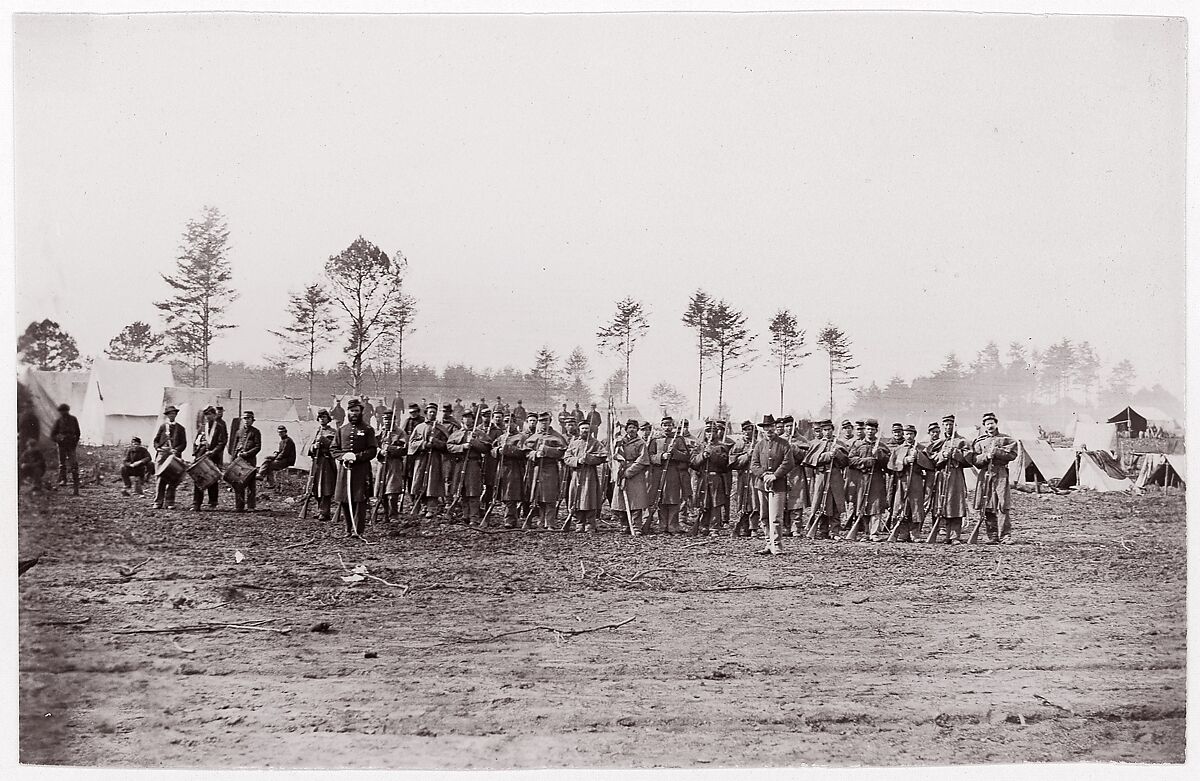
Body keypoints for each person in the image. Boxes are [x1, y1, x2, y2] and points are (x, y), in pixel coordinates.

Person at [330, 399, 378, 536]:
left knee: (359, 499)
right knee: (345, 499)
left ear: (361, 412)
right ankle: (348, 529)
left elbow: (372, 451)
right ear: (348, 412)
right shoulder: (341, 430)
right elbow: (333, 449)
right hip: (345, 470)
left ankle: (358, 530)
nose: (354, 413)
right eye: (352, 411)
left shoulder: (368, 430)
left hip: (361, 471)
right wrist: (344, 456)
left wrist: (356, 457)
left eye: (357, 411)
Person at [971, 412, 1018, 544]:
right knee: (987, 505)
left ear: (996, 424)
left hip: (1000, 473)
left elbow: (1013, 455)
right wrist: (986, 457)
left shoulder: (1007, 439)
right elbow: (974, 460)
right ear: (984, 426)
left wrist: (997, 452)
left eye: (992, 423)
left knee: (1003, 504)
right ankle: (992, 536)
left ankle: (1005, 536)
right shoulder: (979, 441)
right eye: (987, 424)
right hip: (985, 474)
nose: (990, 426)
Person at [750, 415, 792, 555]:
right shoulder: (759, 445)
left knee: (776, 517)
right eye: (766, 427)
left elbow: (788, 462)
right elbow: (754, 465)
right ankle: (769, 543)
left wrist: (775, 475)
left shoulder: (784, 444)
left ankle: (777, 545)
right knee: (764, 516)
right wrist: (764, 475)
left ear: (775, 427)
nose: (769, 430)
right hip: (762, 485)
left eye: (771, 427)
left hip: (778, 484)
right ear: (762, 430)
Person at [801, 419, 849, 540]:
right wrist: (826, 455)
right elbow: (810, 460)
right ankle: (822, 530)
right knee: (820, 502)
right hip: (821, 476)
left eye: (829, 429)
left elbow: (845, 462)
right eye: (825, 430)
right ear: (821, 431)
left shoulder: (839, 443)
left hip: (835, 476)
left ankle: (835, 531)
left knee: (835, 503)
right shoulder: (815, 444)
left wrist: (837, 454)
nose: (827, 432)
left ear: (833, 430)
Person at [927, 414, 972, 544]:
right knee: (939, 504)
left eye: (950, 424)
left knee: (955, 504)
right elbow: (929, 457)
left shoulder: (962, 441)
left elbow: (970, 458)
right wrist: (942, 455)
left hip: (955, 475)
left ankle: (954, 536)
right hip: (941, 476)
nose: (948, 427)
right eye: (945, 425)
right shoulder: (938, 443)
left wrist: (956, 454)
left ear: (955, 426)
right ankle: (938, 533)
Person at [886, 425, 935, 542]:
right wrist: (905, 461)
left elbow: (930, 465)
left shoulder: (922, 448)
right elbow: (891, 465)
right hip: (902, 481)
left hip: (916, 481)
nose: (909, 436)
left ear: (915, 435)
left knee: (916, 506)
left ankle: (915, 534)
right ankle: (902, 533)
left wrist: (918, 457)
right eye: (907, 434)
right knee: (901, 506)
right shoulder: (898, 449)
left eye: (911, 434)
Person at [522, 412, 568, 529]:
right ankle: (541, 521)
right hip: (537, 469)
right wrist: (535, 454)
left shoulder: (557, 436)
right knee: (538, 496)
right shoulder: (534, 437)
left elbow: (563, 452)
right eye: (541, 421)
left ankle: (550, 522)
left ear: (550, 421)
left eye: (546, 421)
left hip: (550, 468)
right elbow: (526, 451)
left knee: (550, 497)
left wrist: (548, 450)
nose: (543, 423)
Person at [846, 419, 890, 541]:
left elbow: (889, 464)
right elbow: (850, 461)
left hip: (876, 479)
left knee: (876, 506)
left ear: (876, 430)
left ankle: (874, 533)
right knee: (862, 505)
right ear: (865, 430)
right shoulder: (857, 444)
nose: (870, 431)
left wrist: (879, 455)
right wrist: (865, 461)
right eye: (868, 429)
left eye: (873, 429)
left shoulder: (881, 446)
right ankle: (865, 532)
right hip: (862, 478)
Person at [648, 416, 690, 534]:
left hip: (673, 473)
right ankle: (662, 526)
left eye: (669, 425)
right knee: (660, 498)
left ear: (673, 426)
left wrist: (674, 453)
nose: (667, 427)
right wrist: (661, 457)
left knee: (673, 499)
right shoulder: (655, 440)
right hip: (659, 473)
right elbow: (650, 456)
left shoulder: (678, 440)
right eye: (665, 425)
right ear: (661, 426)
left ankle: (673, 526)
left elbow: (686, 456)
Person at [562, 420, 606, 532]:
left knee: (590, 497)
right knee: (576, 497)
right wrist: (578, 460)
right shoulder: (574, 443)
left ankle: (590, 523)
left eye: (587, 428)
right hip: (576, 473)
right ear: (579, 430)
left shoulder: (596, 443)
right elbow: (566, 458)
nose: (585, 431)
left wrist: (589, 459)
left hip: (590, 474)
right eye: (583, 428)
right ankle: (579, 522)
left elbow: (603, 456)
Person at [445, 410, 488, 526]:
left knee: (473, 491)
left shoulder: (479, 433)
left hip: (473, 464)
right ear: (462, 419)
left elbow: (487, 447)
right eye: (465, 417)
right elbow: (449, 446)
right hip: (460, 464)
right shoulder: (456, 433)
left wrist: (474, 443)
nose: (468, 420)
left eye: (470, 417)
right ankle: (465, 515)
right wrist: (462, 447)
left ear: (473, 419)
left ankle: (474, 517)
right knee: (461, 490)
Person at [407, 402, 449, 519]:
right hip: (421, 459)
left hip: (434, 459)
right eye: (430, 412)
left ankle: (432, 508)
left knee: (432, 482)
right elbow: (411, 444)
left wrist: (436, 442)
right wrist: (424, 444)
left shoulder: (441, 429)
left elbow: (447, 446)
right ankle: (420, 505)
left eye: (434, 412)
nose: (432, 414)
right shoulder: (419, 427)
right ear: (426, 413)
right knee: (419, 481)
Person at [690, 420, 731, 537]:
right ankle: (704, 526)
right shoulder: (700, 446)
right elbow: (692, 463)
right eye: (708, 432)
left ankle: (714, 527)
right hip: (703, 477)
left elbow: (725, 464)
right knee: (704, 502)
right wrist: (702, 456)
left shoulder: (722, 447)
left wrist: (713, 455)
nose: (710, 435)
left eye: (713, 432)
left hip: (716, 477)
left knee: (716, 503)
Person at [611, 418, 651, 536]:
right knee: (621, 500)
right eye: (630, 428)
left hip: (635, 474)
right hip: (621, 471)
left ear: (637, 430)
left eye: (634, 428)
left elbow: (642, 460)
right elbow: (615, 454)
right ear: (626, 429)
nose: (632, 430)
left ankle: (636, 526)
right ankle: (624, 525)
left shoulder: (641, 443)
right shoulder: (620, 441)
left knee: (636, 501)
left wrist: (629, 472)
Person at [490, 414, 527, 529]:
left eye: (511, 422)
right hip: (502, 469)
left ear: (515, 423)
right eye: (506, 422)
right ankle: (510, 517)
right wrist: (498, 450)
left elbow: (522, 452)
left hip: (514, 468)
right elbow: (492, 449)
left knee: (510, 495)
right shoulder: (501, 437)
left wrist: (507, 449)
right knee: (502, 494)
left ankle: (510, 519)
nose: (508, 425)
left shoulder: (521, 437)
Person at [190, 406, 227, 510]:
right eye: (206, 415)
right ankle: (196, 503)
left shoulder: (219, 427)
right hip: (201, 456)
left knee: (212, 478)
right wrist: (195, 453)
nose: (208, 417)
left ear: (214, 415)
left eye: (210, 414)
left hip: (213, 456)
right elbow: (196, 442)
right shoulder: (202, 427)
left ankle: (213, 502)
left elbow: (222, 442)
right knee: (198, 479)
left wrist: (213, 452)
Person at [375, 409, 409, 522]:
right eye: (385, 419)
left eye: (390, 419)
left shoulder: (400, 433)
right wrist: (380, 451)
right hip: (382, 464)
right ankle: (385, 513)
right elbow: (374, 446)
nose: (387, 422)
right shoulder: (379, 432)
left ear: (394, 420)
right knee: (382, 489)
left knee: (392, 490)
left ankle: (393, 514)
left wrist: (391, 449)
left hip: (394, 464)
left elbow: (404, 449)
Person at [152, 405, 187, 509]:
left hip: (174, 455)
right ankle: (158, 502)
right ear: (167, 415)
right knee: (160, 477)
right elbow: (156, 440)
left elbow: (183, 443)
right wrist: (158, 448)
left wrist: (176, 450)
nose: (172, 415)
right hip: (162, 454)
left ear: (176, 415)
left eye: (174, 413)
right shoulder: (163, 427)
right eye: (170, 414)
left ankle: (170, 502)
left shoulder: (180, 428)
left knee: (172, 478)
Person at [728, 421, 760, 537]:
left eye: (750, 430)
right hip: (743, 476)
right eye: (745, 430)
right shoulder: (737, 445)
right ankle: (743, 526)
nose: (747, 432)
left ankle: (754, 527)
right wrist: (746, 456)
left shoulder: (759, 444)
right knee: (742, 501)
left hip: (754, 477)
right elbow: (732, 463)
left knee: (754, 502)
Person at [307, 409, 338, 521]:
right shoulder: (315, 431)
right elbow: (307, 448)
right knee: (315, 487)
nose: (322, 419)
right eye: (320, 417)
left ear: (328, 419)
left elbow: (335, 447)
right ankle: (320, 509)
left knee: (326, 488)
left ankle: (325, 512)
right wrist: (313, 447)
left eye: (324, 417)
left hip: (327, 462)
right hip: (316, 462)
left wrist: (324, 440)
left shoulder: (333, 432)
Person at [782, 417, 810, 536]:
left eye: (791, 426)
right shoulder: (780, 440)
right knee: (783, 500)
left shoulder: (802, 440)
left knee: (796, 501)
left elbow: (805, 457)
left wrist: (794, 448)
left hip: (796, 473)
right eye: (787, 426)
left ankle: (796, 527)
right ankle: (785, 527)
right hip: (782, 473)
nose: (789, 428)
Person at [229, 410, 261, 513]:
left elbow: (257, 447)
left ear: (252, 420)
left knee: (251, 483)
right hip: (239, 460)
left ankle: (251, 506)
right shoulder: (239, 432)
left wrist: (247, 453)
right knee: (239, 482)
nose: (246, 420)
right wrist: (233, 459)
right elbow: (234, 446)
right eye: (245, 418)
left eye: (249, 418)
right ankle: (239, 506)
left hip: (250, 461)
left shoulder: (255, 432)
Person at [50, 403, 81, 495]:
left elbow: (78, 432)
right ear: (60, 412)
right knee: (62, 463)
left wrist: (75, 441)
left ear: (68, 410)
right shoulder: (58, 421)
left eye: (65, 410)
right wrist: (59, 439)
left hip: (71, 444)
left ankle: (76, 481)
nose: (64, 412)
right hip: (62, 444)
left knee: (73, 463)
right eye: (62, 411)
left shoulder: (73, 419)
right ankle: (63, 479)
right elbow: (52, 435)